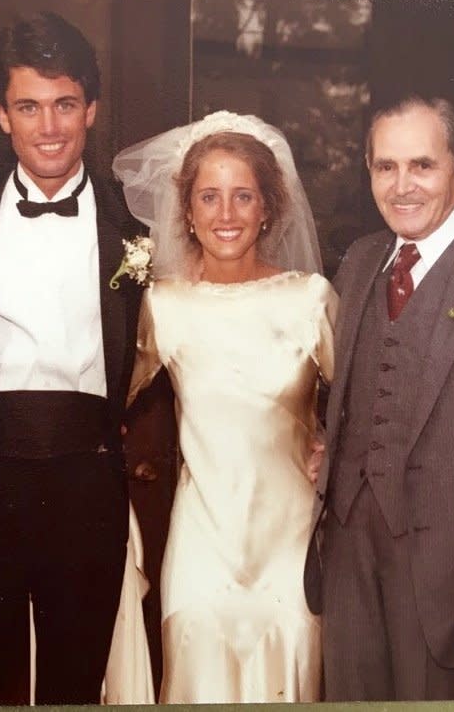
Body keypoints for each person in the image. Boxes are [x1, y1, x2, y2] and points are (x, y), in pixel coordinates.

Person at [0, 12, 146, 705]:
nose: (49, 127)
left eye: (65, 104)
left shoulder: (135, 231)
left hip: (89, 478)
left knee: (75, 684)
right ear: (1, 115)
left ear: (92, 109)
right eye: (29, 106)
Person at [112, 110, 337, 703]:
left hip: (289, 552)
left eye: (243, 196)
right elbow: (111, 404)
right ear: (186, 211)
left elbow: (364, 408)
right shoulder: (164, 305)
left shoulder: (310, 301)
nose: (226, 214)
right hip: (201, 553)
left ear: (269, 208)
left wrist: (332, 446)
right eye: (209, 197)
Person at [303, 94, 454, 700]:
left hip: (451, 576)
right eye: (385, 166)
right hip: (349, 556)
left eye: (422, 166)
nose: (402, 186)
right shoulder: (358, 263)